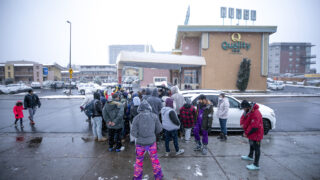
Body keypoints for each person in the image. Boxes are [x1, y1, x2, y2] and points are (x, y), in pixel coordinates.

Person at [131, 100, 163, 180]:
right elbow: (159, 129)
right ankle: (158, 177)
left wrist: (139, 136)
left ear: (140, 108)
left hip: (140, 144)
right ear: (149, 108)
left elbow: (133, 132)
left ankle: (137, 177)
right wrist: (152, 133)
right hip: (152, 142)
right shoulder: (154, 116)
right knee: (155, 160)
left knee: (139, 161)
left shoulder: (136, 118)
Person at [240, 100, 264, 171]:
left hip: (257, 133)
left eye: (243, 108)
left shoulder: (255, 113)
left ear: (247, 107)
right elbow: (248, 121)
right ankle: (250, 156)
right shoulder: (250, 111)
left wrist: (246, 133)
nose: (243, 109)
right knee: (251, 144)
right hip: (252, 133)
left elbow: (254, 127)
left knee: (257, 148)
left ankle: (256, 164)